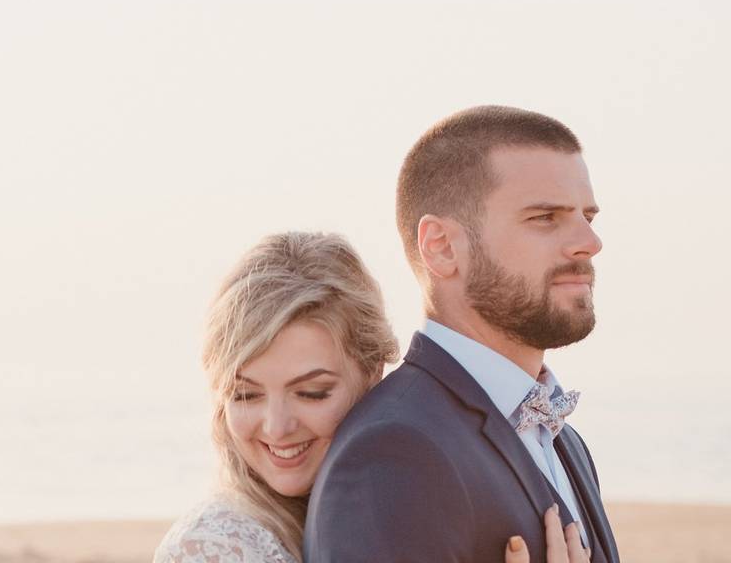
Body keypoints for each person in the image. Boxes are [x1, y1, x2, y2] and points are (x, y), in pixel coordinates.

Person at [155, 231, 593, 563]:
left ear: (373, 370)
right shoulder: (213, 548)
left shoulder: (405, 503)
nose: (276, 426)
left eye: (311, 392)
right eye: (245, 395)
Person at [304, 106, 621, 562]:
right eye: (545, 217)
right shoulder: (394, 452)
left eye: (587, 216)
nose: (589, 242)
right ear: (442, 247)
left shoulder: (565, 442)